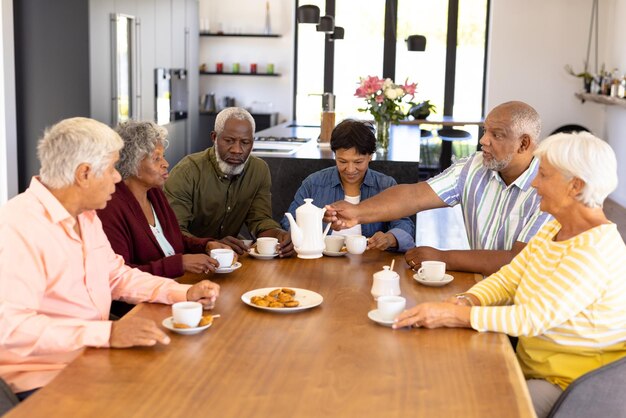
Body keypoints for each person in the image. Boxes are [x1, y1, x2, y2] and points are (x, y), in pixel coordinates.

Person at [393, 132, 626, 418]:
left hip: (570, 386)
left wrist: (453, 315)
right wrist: (467, 301)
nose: (535, 184)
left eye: (544, 175)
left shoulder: (594, 250)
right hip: (533, 366)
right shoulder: (554, 229)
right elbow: (509, 277)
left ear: (574, 186)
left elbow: (532, 317)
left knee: (470, 405)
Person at [0, 118, 220, 399]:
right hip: (43, 379)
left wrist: (183, 292)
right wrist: (107, 334)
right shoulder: (19, 226)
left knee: (189, 380)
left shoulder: (86, 216)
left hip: (91, 356)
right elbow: (13, 329)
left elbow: (117, 275)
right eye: (112, 168)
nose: (118, 177)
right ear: (84, 174)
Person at [326, 101, 552, 275]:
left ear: (524, 143)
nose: (483, 140)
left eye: (496, 135)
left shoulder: (549, 187)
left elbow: (519, 261)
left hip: (528, 307)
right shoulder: (473, 167)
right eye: (485, 131)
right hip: (484, 290)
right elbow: (415, 195)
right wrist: (357, 212)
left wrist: (443, 257)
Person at [98, 120, 230, 278]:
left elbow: (173, 240)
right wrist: (179, 264)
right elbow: (120, 276)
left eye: (163, 157)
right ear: (131, 164)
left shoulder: (154, 193)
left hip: (172, 287)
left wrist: (206, 245)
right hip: (141, 300)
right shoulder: (110, 208)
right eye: (156, 159)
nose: (166, 164)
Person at [164, 107, 294, 257]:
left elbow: (259, 220)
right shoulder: (187, 172)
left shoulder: (258, 170)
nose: (237, 150)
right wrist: (210, 244)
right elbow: (173, 232)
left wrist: (279, 236)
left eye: (245, 142)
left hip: (230, 258)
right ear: (214, 137)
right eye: (229, 141)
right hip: (190, 257)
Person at [280, 119, 415, 252]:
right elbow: (288, 222)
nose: (350, 170)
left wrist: (390, 238)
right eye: (342, 161)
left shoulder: (385, 185)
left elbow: (404, 224)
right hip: (321, 259)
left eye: (358, 162)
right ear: (334, 155)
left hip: (369, 262)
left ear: (370, 157)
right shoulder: (314, 183)